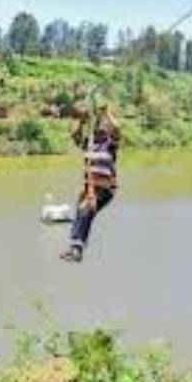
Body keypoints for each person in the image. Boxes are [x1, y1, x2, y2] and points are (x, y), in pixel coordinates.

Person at [60, 104, 120, 263]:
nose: (99, 132)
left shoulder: (110, 145)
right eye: (97, 130)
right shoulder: (90, 144)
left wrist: (107, 113)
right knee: (81, 213)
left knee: (85, 211)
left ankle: (76, 249)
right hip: (91, 188)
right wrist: (82, 121)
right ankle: (75, 247)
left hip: (105, 189)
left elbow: (116, 127)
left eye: (102, 130)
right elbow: (75, 136)